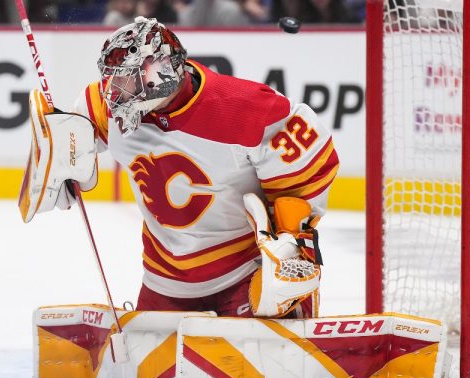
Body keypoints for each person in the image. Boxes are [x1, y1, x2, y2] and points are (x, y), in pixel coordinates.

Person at [19, 17, 338, 319]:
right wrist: (59, 158)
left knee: (271, 364)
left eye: (128, 80)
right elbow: (70, 151)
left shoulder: (247, 109)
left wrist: (294, 248)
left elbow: (307, 174)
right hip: (165, 280)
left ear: (161, 72)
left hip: (246, 272)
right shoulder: (103, 105)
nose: (114, 92)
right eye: (113, 79)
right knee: (147, 374)